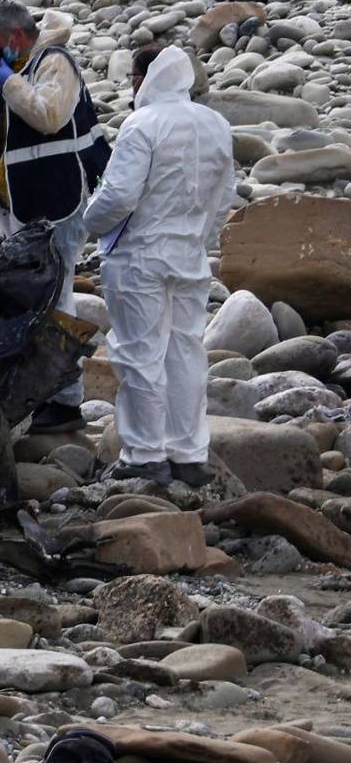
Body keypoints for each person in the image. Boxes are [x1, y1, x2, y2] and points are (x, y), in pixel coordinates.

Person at [81, 44, 235, 488]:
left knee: (139, 353)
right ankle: (188, 454)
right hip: (190, 255)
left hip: (139, 257)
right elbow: (224, 198)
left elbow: (119, 197)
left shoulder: (142, 123)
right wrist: (199, 237)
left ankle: (146, 454)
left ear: (143, 79)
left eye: (133, 76)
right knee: (186, 351)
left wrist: (90, 219)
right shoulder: (216, 124)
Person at [0, 0, 112, 435]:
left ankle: (67, 403)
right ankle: (37, 389)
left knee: (56, 294)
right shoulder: (14, 63)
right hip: (20, 200)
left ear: (14, 38)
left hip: (58, 198)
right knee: (29, 294)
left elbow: (48, 116)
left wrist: (5, 80)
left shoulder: (55, 63)